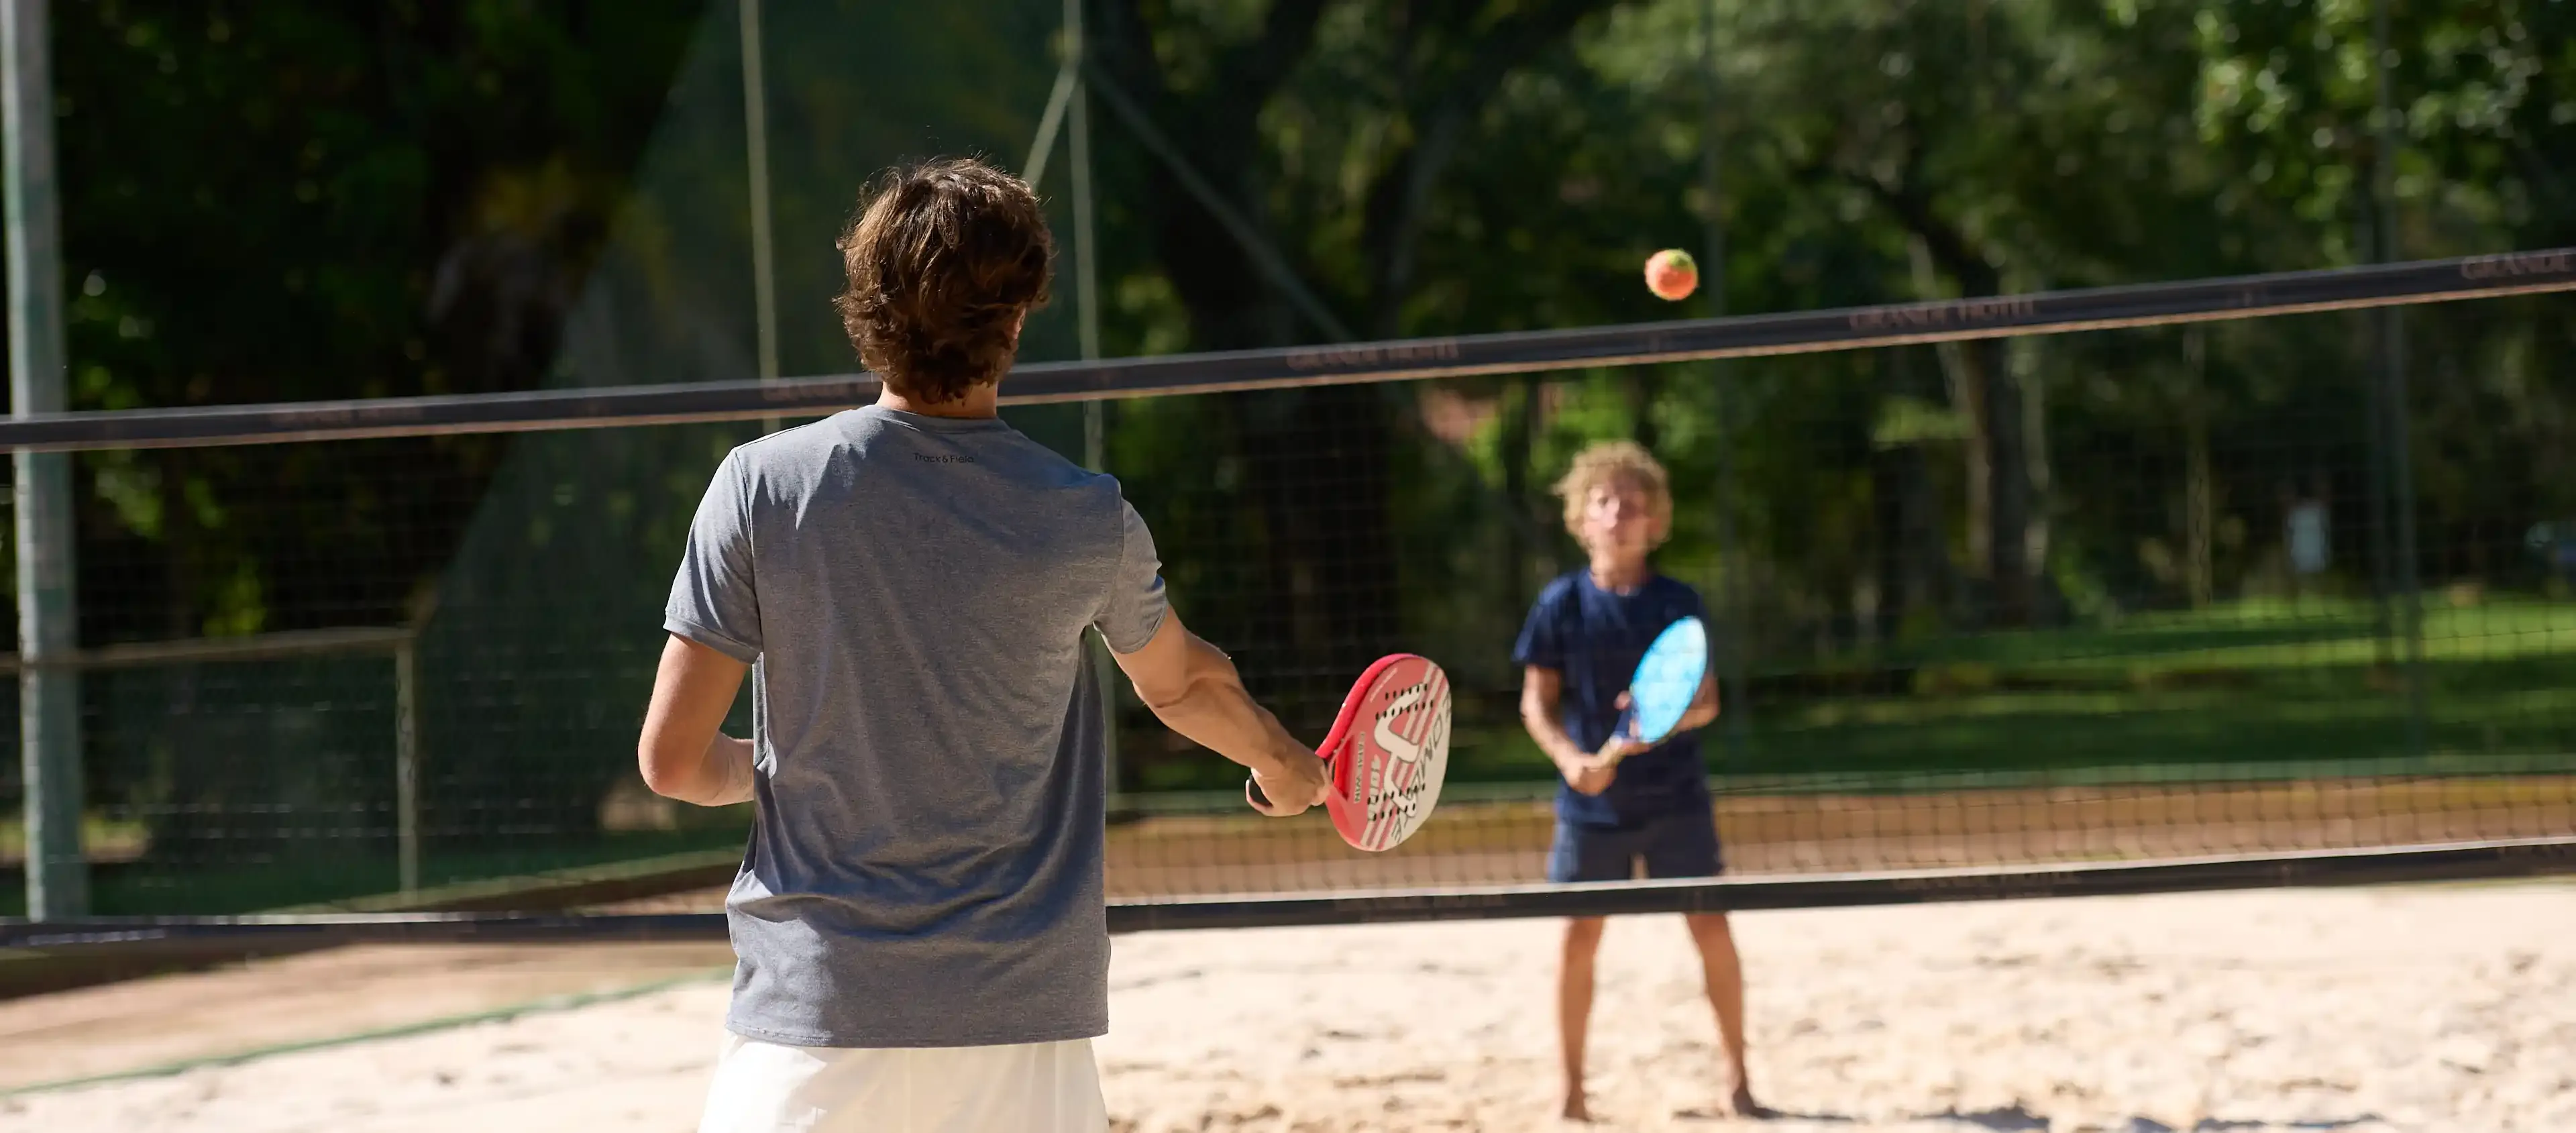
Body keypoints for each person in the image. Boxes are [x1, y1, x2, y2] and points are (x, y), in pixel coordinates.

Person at [635, 156, 1332, 1133]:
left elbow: (671, 760)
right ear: (1017, 315)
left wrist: (814, 767)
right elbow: (1184, 686)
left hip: (819, 1012)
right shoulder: (1084, 515)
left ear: (869, 304)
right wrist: (1287, 764)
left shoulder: (763, 486)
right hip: (1020, 1022)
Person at [1512, 439, 1759, 1122]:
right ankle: (1571, 1095)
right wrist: (1569, 760)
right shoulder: (1561, 602)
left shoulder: (1679, 601)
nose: (1618, 511)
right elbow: (1537, 703)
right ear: (1580, 517)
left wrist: (1663, 726)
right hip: (1591, 804)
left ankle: (1740, 1081)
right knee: (1577, 937)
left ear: (1655, 523)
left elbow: (1705, 701)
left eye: (1634, 503)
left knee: (1711, 928)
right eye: (1605, 499)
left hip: (1676, 796)